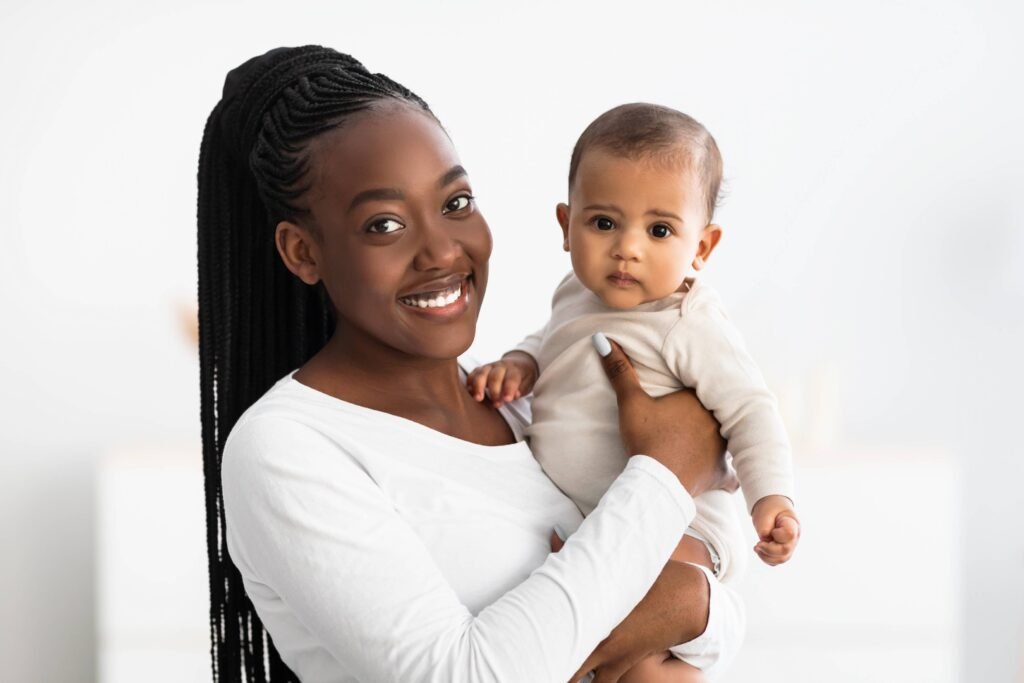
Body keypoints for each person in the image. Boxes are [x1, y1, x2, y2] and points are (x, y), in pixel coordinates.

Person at [198, 46, 736, 683]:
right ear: (302, 251)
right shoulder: (285, 449)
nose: (442, 251)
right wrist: (665, 479)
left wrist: (694, 606)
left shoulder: (515, 399)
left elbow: (722, 618)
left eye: (455, 204)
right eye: (385, 224)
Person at [468, 104, 802, 679]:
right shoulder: (574, 292)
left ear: (702, 246)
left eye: (660, 230)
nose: (628, 247)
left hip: (682, 527)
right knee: (613, 651)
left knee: (641, 630)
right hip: (597, 521)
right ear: (565, 225)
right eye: (603, 223)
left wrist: (771, 498)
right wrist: (521, 363)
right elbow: (554, 340)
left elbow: (751, 409)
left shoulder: (688, 321)